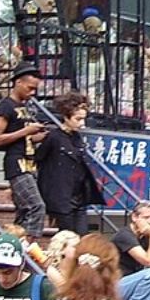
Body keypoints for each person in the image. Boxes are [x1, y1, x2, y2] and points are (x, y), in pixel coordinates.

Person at [0, 64, 48, 239]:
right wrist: (26, 131)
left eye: (35, 89)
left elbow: (26, 138)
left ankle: (13, 244)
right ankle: (29, 249)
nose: (32, 93)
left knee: (25, 211)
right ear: (18, 82)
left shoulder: (25, 108)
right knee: (36, 207)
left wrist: (40, 135)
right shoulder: (5, 107)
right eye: (30, 88)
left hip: (29, 163)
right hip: (16, 164)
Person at [36, 92, 103, 234]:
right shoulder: (53, 137)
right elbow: (38, 160)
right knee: (67, 237)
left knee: (82, 236)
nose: (82, 124)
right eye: (78, 119)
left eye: (83, 119)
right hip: (61, 198)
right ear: (66, 117)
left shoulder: (77, 138)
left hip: (79, 196)